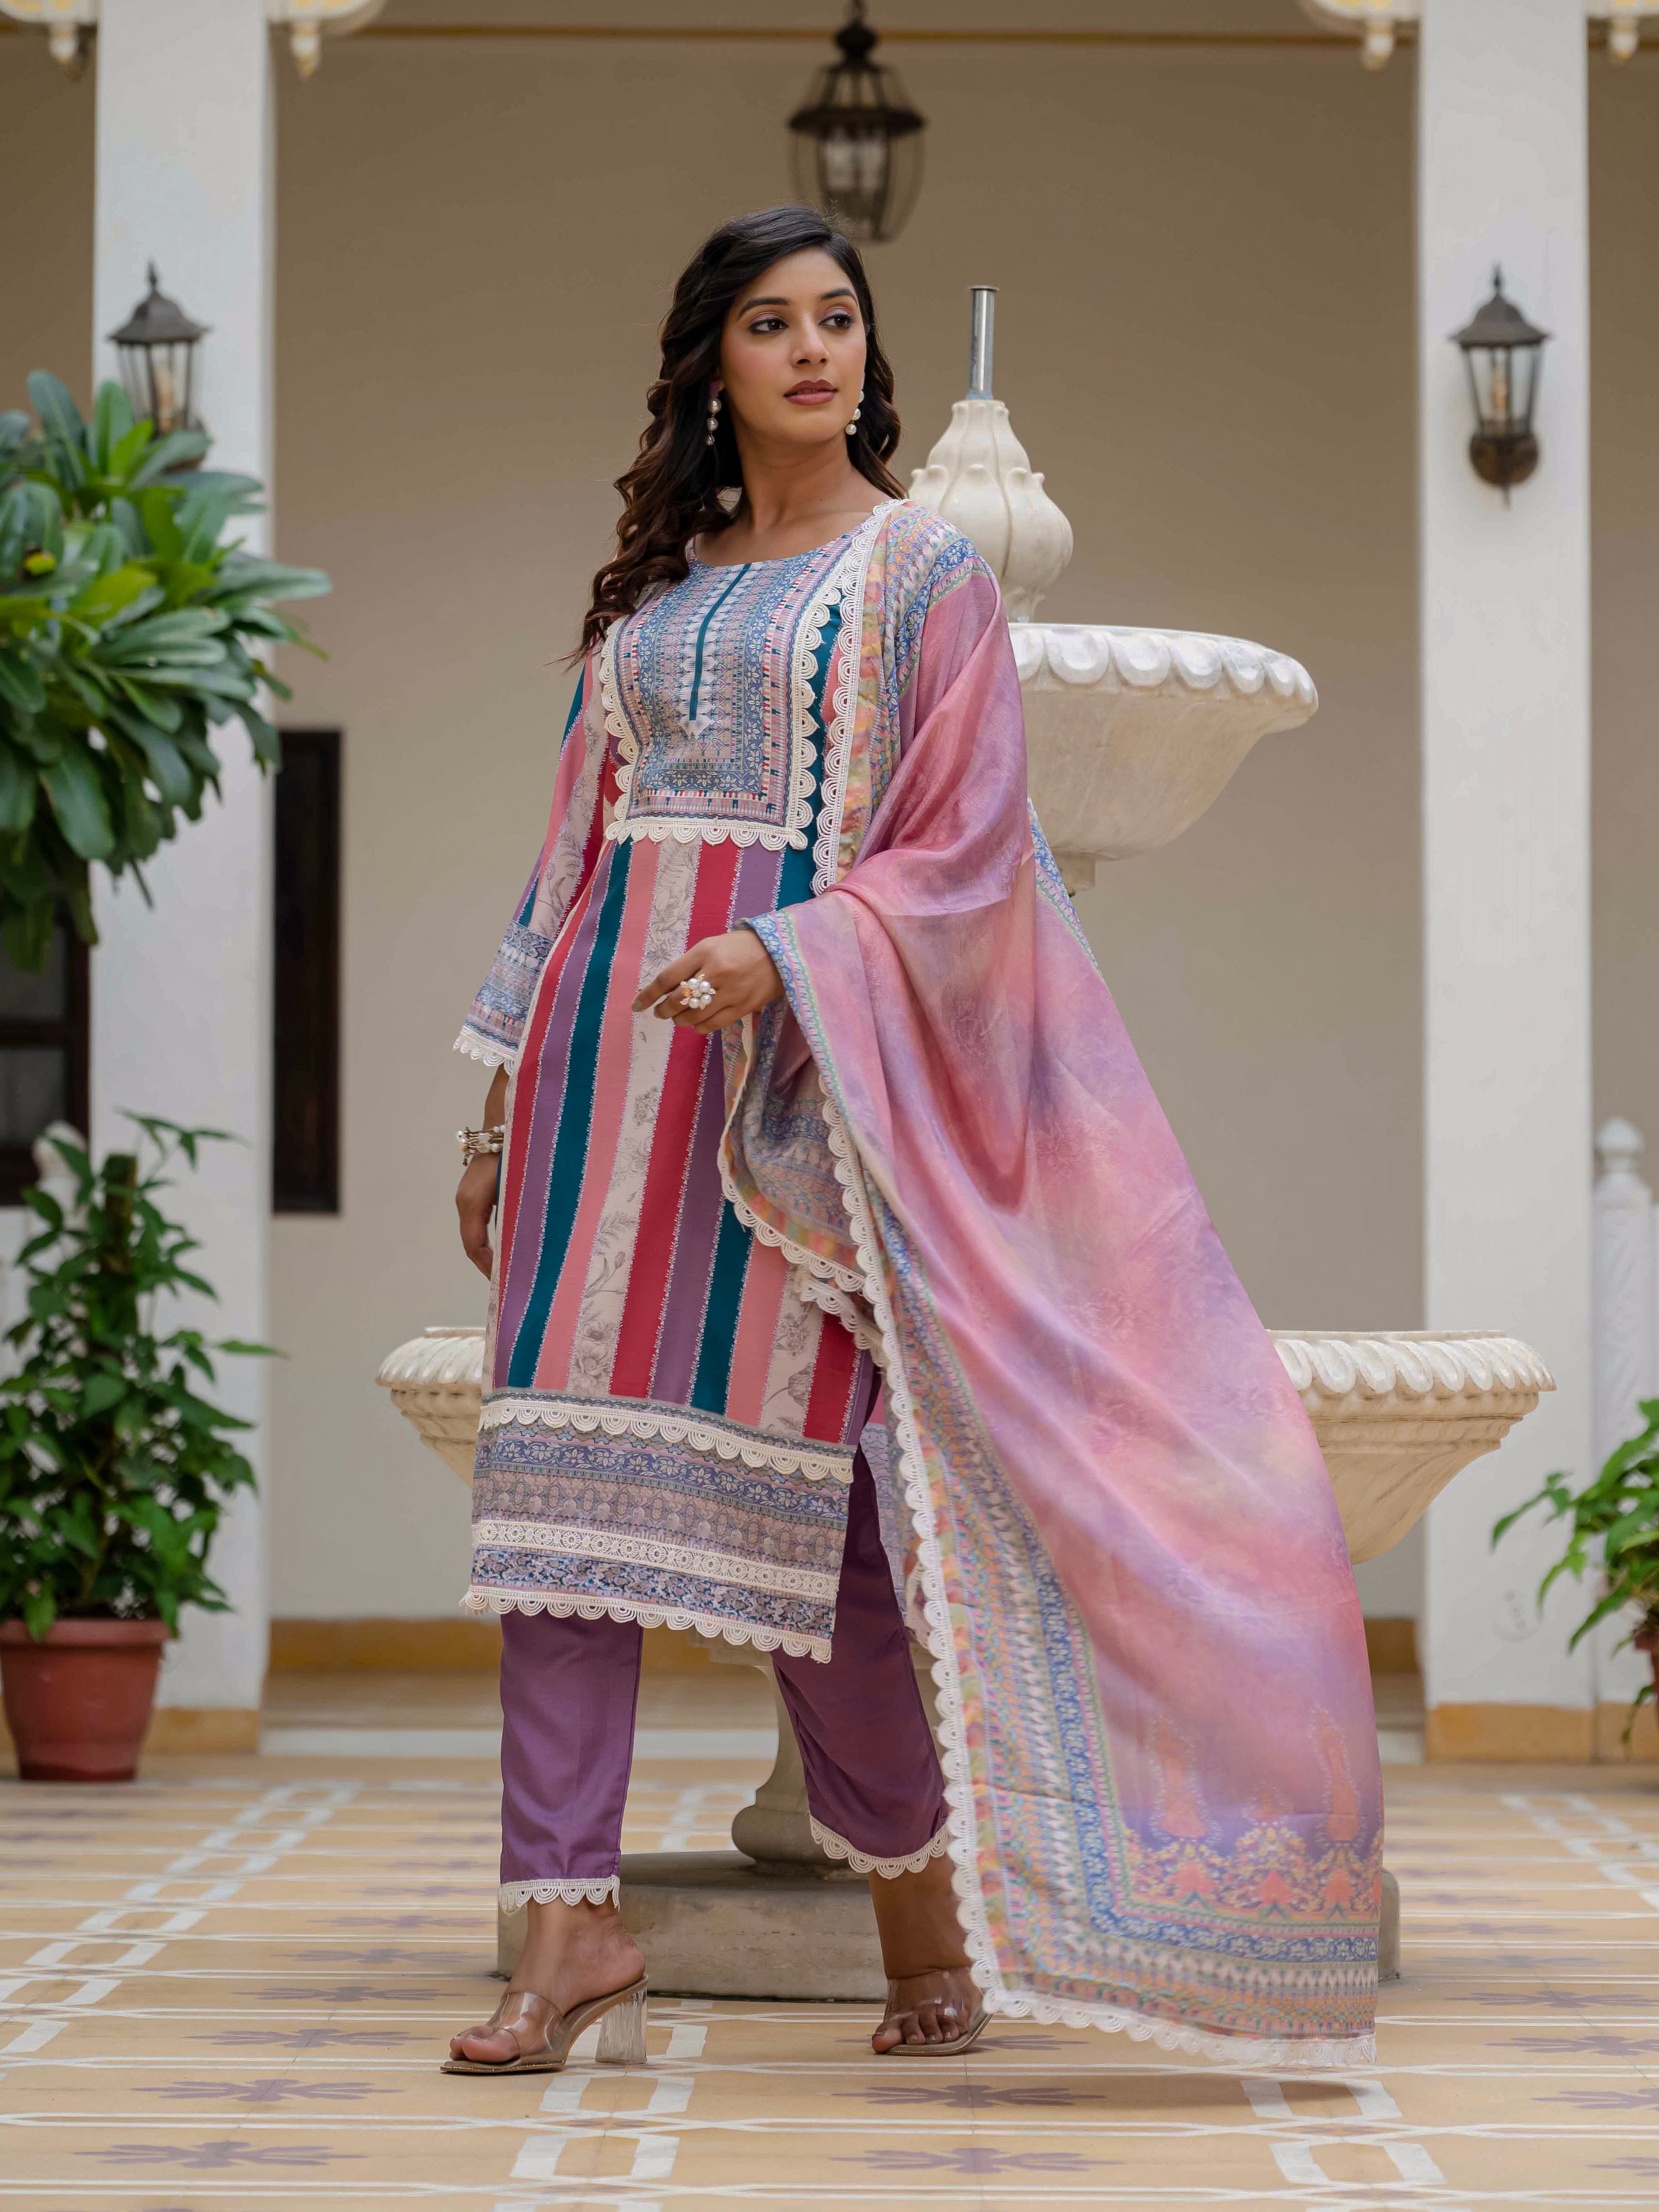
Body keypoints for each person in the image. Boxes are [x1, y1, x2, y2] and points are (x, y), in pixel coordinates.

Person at [445, 205, 1382, 2078]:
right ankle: (565, 1930)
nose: (815, 350)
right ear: (712, 365)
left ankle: (919, 1905)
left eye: (838, 317)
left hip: (792, 1106)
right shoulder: (651, 605)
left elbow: (963, 856)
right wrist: (491, 1100)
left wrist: (780, 955)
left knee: (821, 1524)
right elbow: (565, 862)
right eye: (771, 323)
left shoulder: (921, 575)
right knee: (555, 1520)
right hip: (595, 1089)